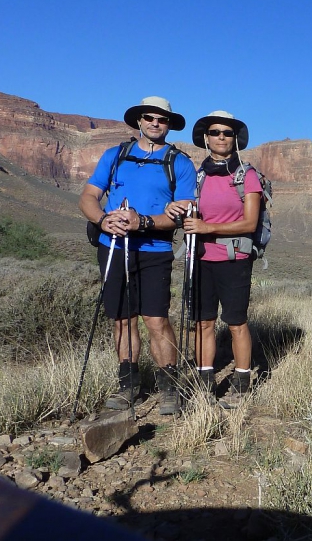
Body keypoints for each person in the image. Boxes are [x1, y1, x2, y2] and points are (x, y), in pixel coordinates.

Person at [79, 96, 196, 415]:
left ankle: (169, 386)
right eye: (149, 117)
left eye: (162, 119)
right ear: (140, 121)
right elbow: (89, 196)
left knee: (156, 319)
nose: (155, 123)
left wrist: (142, 221)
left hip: (155, 250)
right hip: (113, 247)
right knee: (122, 318)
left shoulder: (181, 163)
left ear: (169, 125)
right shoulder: (115, 155)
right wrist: (103, 219)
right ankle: (128, 385)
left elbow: (182, 213)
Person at [183, 110, 262, 408]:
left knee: (236, 323)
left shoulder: (246, 175)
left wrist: (207, 227)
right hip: (200, 259)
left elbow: (250, 224)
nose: (221, 137)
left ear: (235, 139)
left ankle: (241, 385)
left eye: (227, 133)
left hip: (234, 259)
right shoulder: (197, 175)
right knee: (203, 323)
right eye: (215, 132)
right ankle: (205, 385)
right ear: (206, 137)